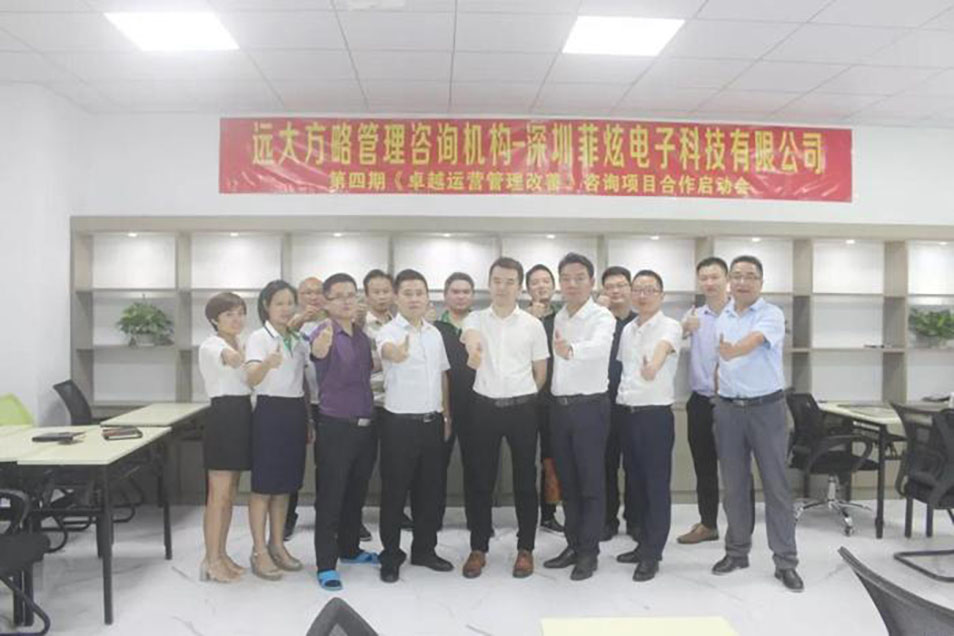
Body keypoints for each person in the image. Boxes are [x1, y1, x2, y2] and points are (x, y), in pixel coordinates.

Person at [711, 255, 803, 592]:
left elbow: (754, 342)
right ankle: (737, 552)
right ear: (729, 282)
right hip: (728, 410)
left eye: (750, 276)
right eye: (736, 276)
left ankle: (785, 562)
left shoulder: (771, 314)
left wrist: (733, 351)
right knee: (734, 486)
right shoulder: (723, 316)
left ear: (760, 283)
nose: (742, 282)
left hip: (766, 409)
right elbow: (720, 361)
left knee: (776, 487)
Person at [460, 257, 549, 579]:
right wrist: (474, 352)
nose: (502, 287)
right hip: (483, 408)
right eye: (497, 280)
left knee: (525, 480)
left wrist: (522, 394)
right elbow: (470, 338)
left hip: (522, 409)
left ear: (519, 287)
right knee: (479, 480)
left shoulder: (532, 324)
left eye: (510, 281)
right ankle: (478, 548)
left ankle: (526, 549)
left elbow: (541, 372)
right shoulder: (475, 318)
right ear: (489, 283)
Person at [376, 269, 455, 583]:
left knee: (430, 493)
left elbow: (443, 375)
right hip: (398, 425)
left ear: (427, 297)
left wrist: (446, 416)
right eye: (407, 293)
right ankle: (391, 555)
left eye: (419, 293)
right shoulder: (388, 331)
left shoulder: (434, 334)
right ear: (397, 297)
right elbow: (387, 350)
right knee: (394, 494)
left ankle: (424, 550)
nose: (414, 299)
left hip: (432, 423)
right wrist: (395, 353)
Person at [542, 253, 614, 581]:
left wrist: (571, 350)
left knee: (590, 483)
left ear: (591, 282)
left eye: (579, 278)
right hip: (560, 408)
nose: (572, 284)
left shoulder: (602, 316)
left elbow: (599, 348)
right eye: (566, 278)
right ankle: (572, 544)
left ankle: (589, 552)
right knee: (567, 482)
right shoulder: (560, 316)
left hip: (589, 408)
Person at [310, 273, 380, 591]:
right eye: (338, 296)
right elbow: (318, 352)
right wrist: (320, 345)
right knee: (331, 497)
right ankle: (326, 564)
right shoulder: (323, 333)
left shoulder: (361, 337)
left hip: (365, 425)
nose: (347, 301)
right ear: (326, 302)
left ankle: (350, 549)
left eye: (351, 295)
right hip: (335, 426)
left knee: (356, 493)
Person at [615, 270, 682, 582]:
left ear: (661, 295)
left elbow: (663, 349)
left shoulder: (670, 326)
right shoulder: (628, 329)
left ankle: (653, 554)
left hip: (655, 416)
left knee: (655, 486)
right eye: (638, 289)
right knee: (636, 483)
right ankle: (642, 544)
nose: (643, 295)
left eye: (650, 290)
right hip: (627, 413)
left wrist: (653, 366)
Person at [244, 280, 311, 581]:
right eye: (279, 303)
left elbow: (304, 382)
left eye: (289, 303)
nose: (285, 309)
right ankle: (259, 551)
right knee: (263, 487)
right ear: (266, 307)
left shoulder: (298, 338)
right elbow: (251, 378)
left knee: (285, 486)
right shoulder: (259, 337)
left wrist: (308, 420)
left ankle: (277, 545)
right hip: (269, 412)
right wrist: (266, 364)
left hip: (295, 412)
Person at [197, 292, 252, 583]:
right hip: (223, 417)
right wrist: (247, 357)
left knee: (230, 493)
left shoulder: (240, 341)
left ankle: (221, 553)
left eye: (240, 313)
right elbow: (231, 360)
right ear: (214, 319)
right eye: (229, 314)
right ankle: (211, 559)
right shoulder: (212, 344)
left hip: (242, 414)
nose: (236, 319)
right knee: (217, 496)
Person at [677, 258, 729, 545]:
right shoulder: (694, 314)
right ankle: (708, 524)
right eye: (704, 278)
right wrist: (684, 328)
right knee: (704, 467)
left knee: (736, 469)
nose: (709, 283)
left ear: (726, 279)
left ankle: (741, 530)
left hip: (732, 402)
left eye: (714, 277)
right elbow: (670, 342)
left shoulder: (739, 314)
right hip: (699, 402)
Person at [362, 269, 410, 534]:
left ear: (394, 294)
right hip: (368, 402)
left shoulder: (400, 324)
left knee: (395, 465)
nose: (382, 296)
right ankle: (354, 518)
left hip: (396, 403)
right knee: (362, 464)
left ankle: (395, 512)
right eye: (376, 292)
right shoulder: (359, 324)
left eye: (386, 291)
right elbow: (358, 363)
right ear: (367, 295)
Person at [433, 272, 477, 529]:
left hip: (477, 407)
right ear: (446, 295)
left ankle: (478, 521)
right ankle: (433, 519)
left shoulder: (481, 325)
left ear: (472, 296)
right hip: (443, 406)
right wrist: (444, 412)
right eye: (455, 291)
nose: (461, 296)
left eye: (466, 292)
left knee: (477, 466)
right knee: (437, 466)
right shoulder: (435, 328)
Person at [600, 265, 640, 542]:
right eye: (609, 286)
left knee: (635, 465)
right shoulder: (598, 322)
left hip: (635, 404)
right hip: (603, 404)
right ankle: (607, 519)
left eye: (621, 285)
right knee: (606, 464)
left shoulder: (641, 322)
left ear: (630, 289)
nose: (615, 291)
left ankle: (635, 520)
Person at [285, 276, 325, 540]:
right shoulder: (289, 325)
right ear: (298, 297)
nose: (313, 297)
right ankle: (288, 517)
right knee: (293, 461)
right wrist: (295, 325)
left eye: (318, 292)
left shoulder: (333, 323)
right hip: (298, 403)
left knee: (329, 464)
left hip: (329, 404)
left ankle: (327, 515)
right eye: (307, 292)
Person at [526, 263, 564, 534]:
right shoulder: (520, 318)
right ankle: (526, 513)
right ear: (527, 289)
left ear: (553, 286)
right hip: (526, 398)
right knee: (526, 458)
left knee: (551, 459)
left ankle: (549, 514)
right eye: (535, 282)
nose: (541, 286)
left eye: (546, 281)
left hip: (555, 399)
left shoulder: (564, 318)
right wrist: (533, 321)